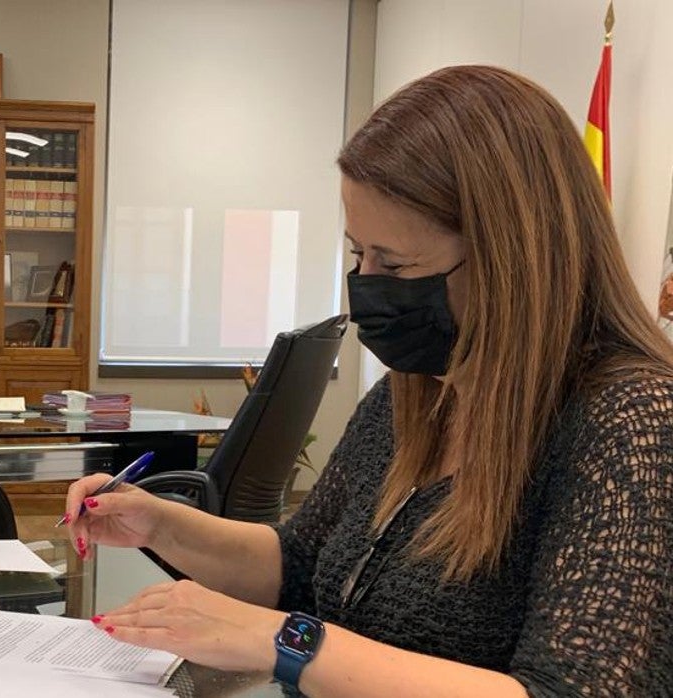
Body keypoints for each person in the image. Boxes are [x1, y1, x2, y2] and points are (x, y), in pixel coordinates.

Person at [65, 65, 673, 695]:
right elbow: (302, 565)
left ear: (513, 260)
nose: (365, 287)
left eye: (395, 262)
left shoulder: (633, 421)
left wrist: (285, 642)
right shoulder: (417, 393)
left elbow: (577, 689)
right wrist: (160, 523)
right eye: (359, 254)